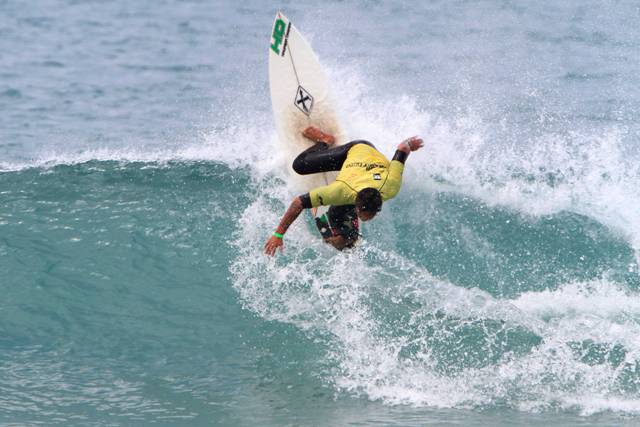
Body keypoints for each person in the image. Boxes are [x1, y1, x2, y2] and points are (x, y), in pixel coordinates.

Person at [264, 126, 423, 256]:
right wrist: (278, 235)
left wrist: (410, 143)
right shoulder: (341, 191)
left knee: (345, 246)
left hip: (369, 159)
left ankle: (343, 232)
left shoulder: (390, 186)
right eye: (365, 215)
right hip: (355, 150)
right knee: (299, 165)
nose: (368, 218)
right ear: (357, 205)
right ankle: (325, 140)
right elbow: (298, 203)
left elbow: (403, 147)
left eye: (372, 214)